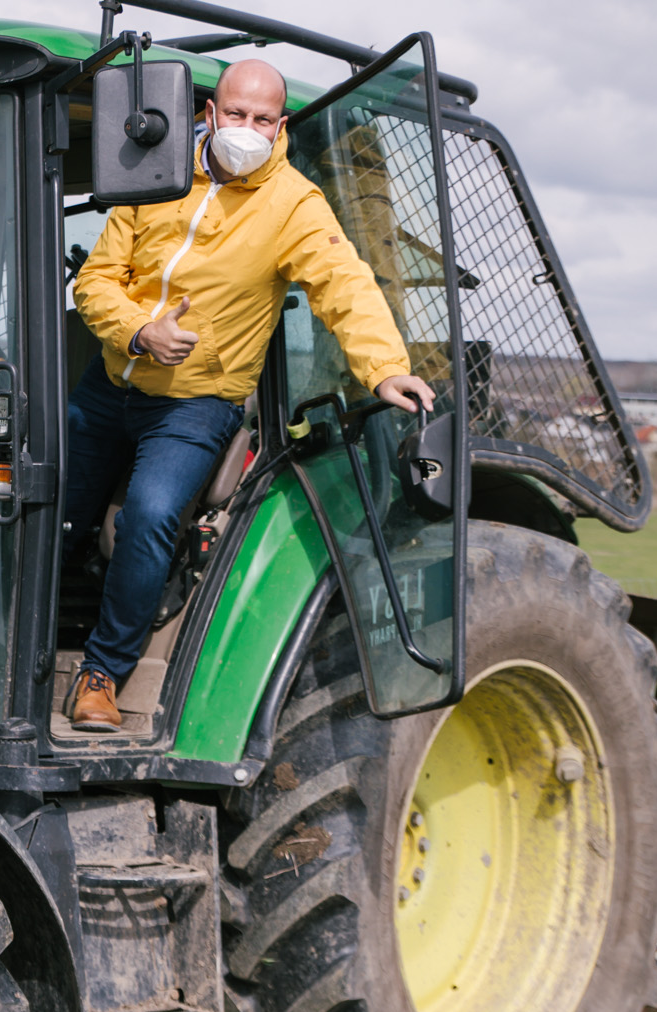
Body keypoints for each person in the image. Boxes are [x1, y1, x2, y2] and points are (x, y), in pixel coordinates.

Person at [64, 57, 434, 731]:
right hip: (110, 382)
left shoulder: (293, 204)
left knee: (149, 516)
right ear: (210, 113)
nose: (247, 129)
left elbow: (344, 283)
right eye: (236, 113)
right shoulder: (155, 177)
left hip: (194, 403)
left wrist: (384, 368)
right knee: (42, 501)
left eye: (263, 119)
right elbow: (95, 281)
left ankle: (102, 674)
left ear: (280, 126)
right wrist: (140, 332)